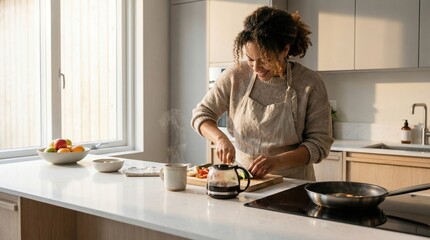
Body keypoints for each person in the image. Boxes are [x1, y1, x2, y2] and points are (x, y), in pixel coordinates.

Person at [191, 6, 334, 180]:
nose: (257, 68)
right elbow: (201, 114)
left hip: (293, 185)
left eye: (265, 60)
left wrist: (277, 162)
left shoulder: (310, 83)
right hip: (243, 182)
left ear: (285, 50)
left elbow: (319, 144)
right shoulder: (236, 75)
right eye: (250, 59)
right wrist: (220, 138)